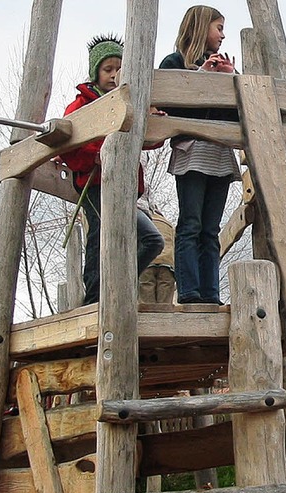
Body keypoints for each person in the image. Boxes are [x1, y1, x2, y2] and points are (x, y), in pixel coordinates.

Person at [61, 35, 164, 305]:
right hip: (95, 184)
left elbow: (147, 141)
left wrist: (157, 122)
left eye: (120, 69)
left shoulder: (128, 101)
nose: (114, 75)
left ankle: (118, 287)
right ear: (95, 73)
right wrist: (95, 156)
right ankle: (95, 299)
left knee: (152, 240)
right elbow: (67, 144)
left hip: (124, 185)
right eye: (108, 69)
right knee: (100, 235)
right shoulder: (82, 104)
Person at [158, 6, 241, 305]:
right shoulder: (173, 62)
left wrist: (231, 78)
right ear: (202, 26)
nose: (223, 34)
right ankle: (190, 292)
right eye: (219, 27)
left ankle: (211, 293)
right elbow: (170, 107)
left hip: (218, 152)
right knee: (191, 223)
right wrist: (201, 79)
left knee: (210, 229)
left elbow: (237, 112)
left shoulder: (221, 64)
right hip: (192, 153)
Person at [138, 208, 176, 304]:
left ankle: (148, 318)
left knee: (146, 302)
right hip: (167, 263)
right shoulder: (169, 224)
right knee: (165, 304)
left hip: (148, 262)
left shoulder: (144, 221)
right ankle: (165, 318)